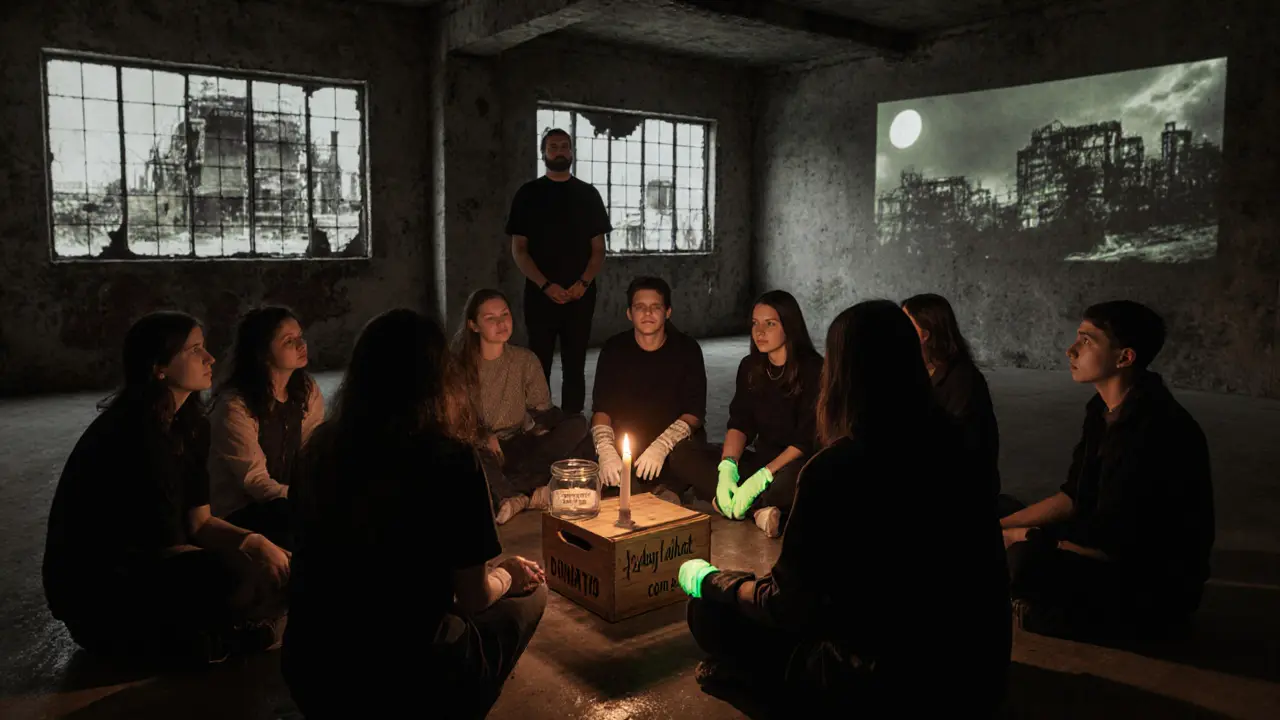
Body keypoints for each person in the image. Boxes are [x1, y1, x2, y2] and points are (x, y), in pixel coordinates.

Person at [677, 300, 1011, 715]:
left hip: (886, 683)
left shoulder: (835, 470)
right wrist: (729, 466)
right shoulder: (958, 446)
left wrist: (717, 582)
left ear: (841, 376)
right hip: (975, 671)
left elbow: (788, 606)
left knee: (708, 613)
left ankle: (763, 684)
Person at [283, 309, 547, 719]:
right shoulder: (450, 458)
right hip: (406, 682)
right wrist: (507, 573)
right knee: (533, 590)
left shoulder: (320, 447)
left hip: (312, 669)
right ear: (439, 378)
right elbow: (475, 595)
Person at [43, 311, 292, 665]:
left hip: (158, 564)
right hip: (102, 598)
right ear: (159, 367)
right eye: (194, 350)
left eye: (204, 348)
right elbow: (165, 548)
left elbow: (200, 522)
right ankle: (222, 634)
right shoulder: (133, 434)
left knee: (274, 539)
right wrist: (247, 565)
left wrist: (261, 545)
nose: (210, 359)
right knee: (226, 574)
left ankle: (231, 628)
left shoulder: (188, 425)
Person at [1000, 301, 1213, 642]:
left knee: (1024, 559)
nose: (1071, 350)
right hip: (1103, 542)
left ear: (1124, 357)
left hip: (1147, 584)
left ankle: (1050, 608)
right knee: (1002, 508)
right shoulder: (1103, 408)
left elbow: (1115, 541)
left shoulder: (1155, 429)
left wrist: (1026, 536)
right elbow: (1073, 496)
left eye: (1087, 341)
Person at [665, 290, 822, 537]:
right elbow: (740, 421)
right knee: (683, 454)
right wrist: (728, 466)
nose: (759, 332)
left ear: (789, 326)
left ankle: (739, 505)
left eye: (770, 324)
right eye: (755, 323)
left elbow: (806, 440)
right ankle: (759, 512)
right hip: (760, 460)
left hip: (793, 465)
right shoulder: (751, 367)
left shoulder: (815, 369)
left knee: (800, 484)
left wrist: (761, 478)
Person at [451, 289, 589, 525]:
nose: (501, 322)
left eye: (504, 314)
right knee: (468, 456)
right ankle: (523, 492)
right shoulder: (459, 366)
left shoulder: (524, 360)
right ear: (474, 325)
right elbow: (454, 420)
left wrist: (539, 425)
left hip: (520, 444)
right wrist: (483, 436)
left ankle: (520, 495)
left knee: (580, 426)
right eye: (490, 318)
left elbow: (543, 409)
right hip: (485, 450)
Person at [507, 127, 612, 414]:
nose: (559, 151)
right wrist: (545, 285)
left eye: (564, 146)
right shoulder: (528, 195)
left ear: (571, 153)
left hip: (580, 295)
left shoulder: (588, 195)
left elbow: (598, 250)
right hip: (540, 295)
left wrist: (583, 283)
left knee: (575, 363)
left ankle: (572, 423)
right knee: (539, 362)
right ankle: (540, 422)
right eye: (553, 146)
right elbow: (519, 251)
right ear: (543, 153)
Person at [208, 306, 324, 550]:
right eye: (289, 341)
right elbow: (255, 481)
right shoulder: (236, 405)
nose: (301, 345)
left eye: (300, 336)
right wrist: (307, 501)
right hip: (240, 511)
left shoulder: (306, 390)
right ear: (262, 352)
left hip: (287, 500)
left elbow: (312, 453)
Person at [590, 277, 707, 502]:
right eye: (640, 307)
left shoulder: (687, 349)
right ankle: (641, 491)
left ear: (668, 312)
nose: (647, 313)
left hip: (672, 440)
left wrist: (663, 445)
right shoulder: (614, 350)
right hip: (628, 438)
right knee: (597, 454)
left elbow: (694, 414)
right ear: (629, 313)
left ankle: (668, 490)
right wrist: (605, 449)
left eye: (656, 307)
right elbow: (601, 410)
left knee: (687, 456)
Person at [902, 293, 1001, 498]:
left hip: (962, 490)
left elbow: (954, 446)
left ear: (925, 334)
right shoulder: (918, 370)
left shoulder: (962, 380)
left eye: (906, 322)